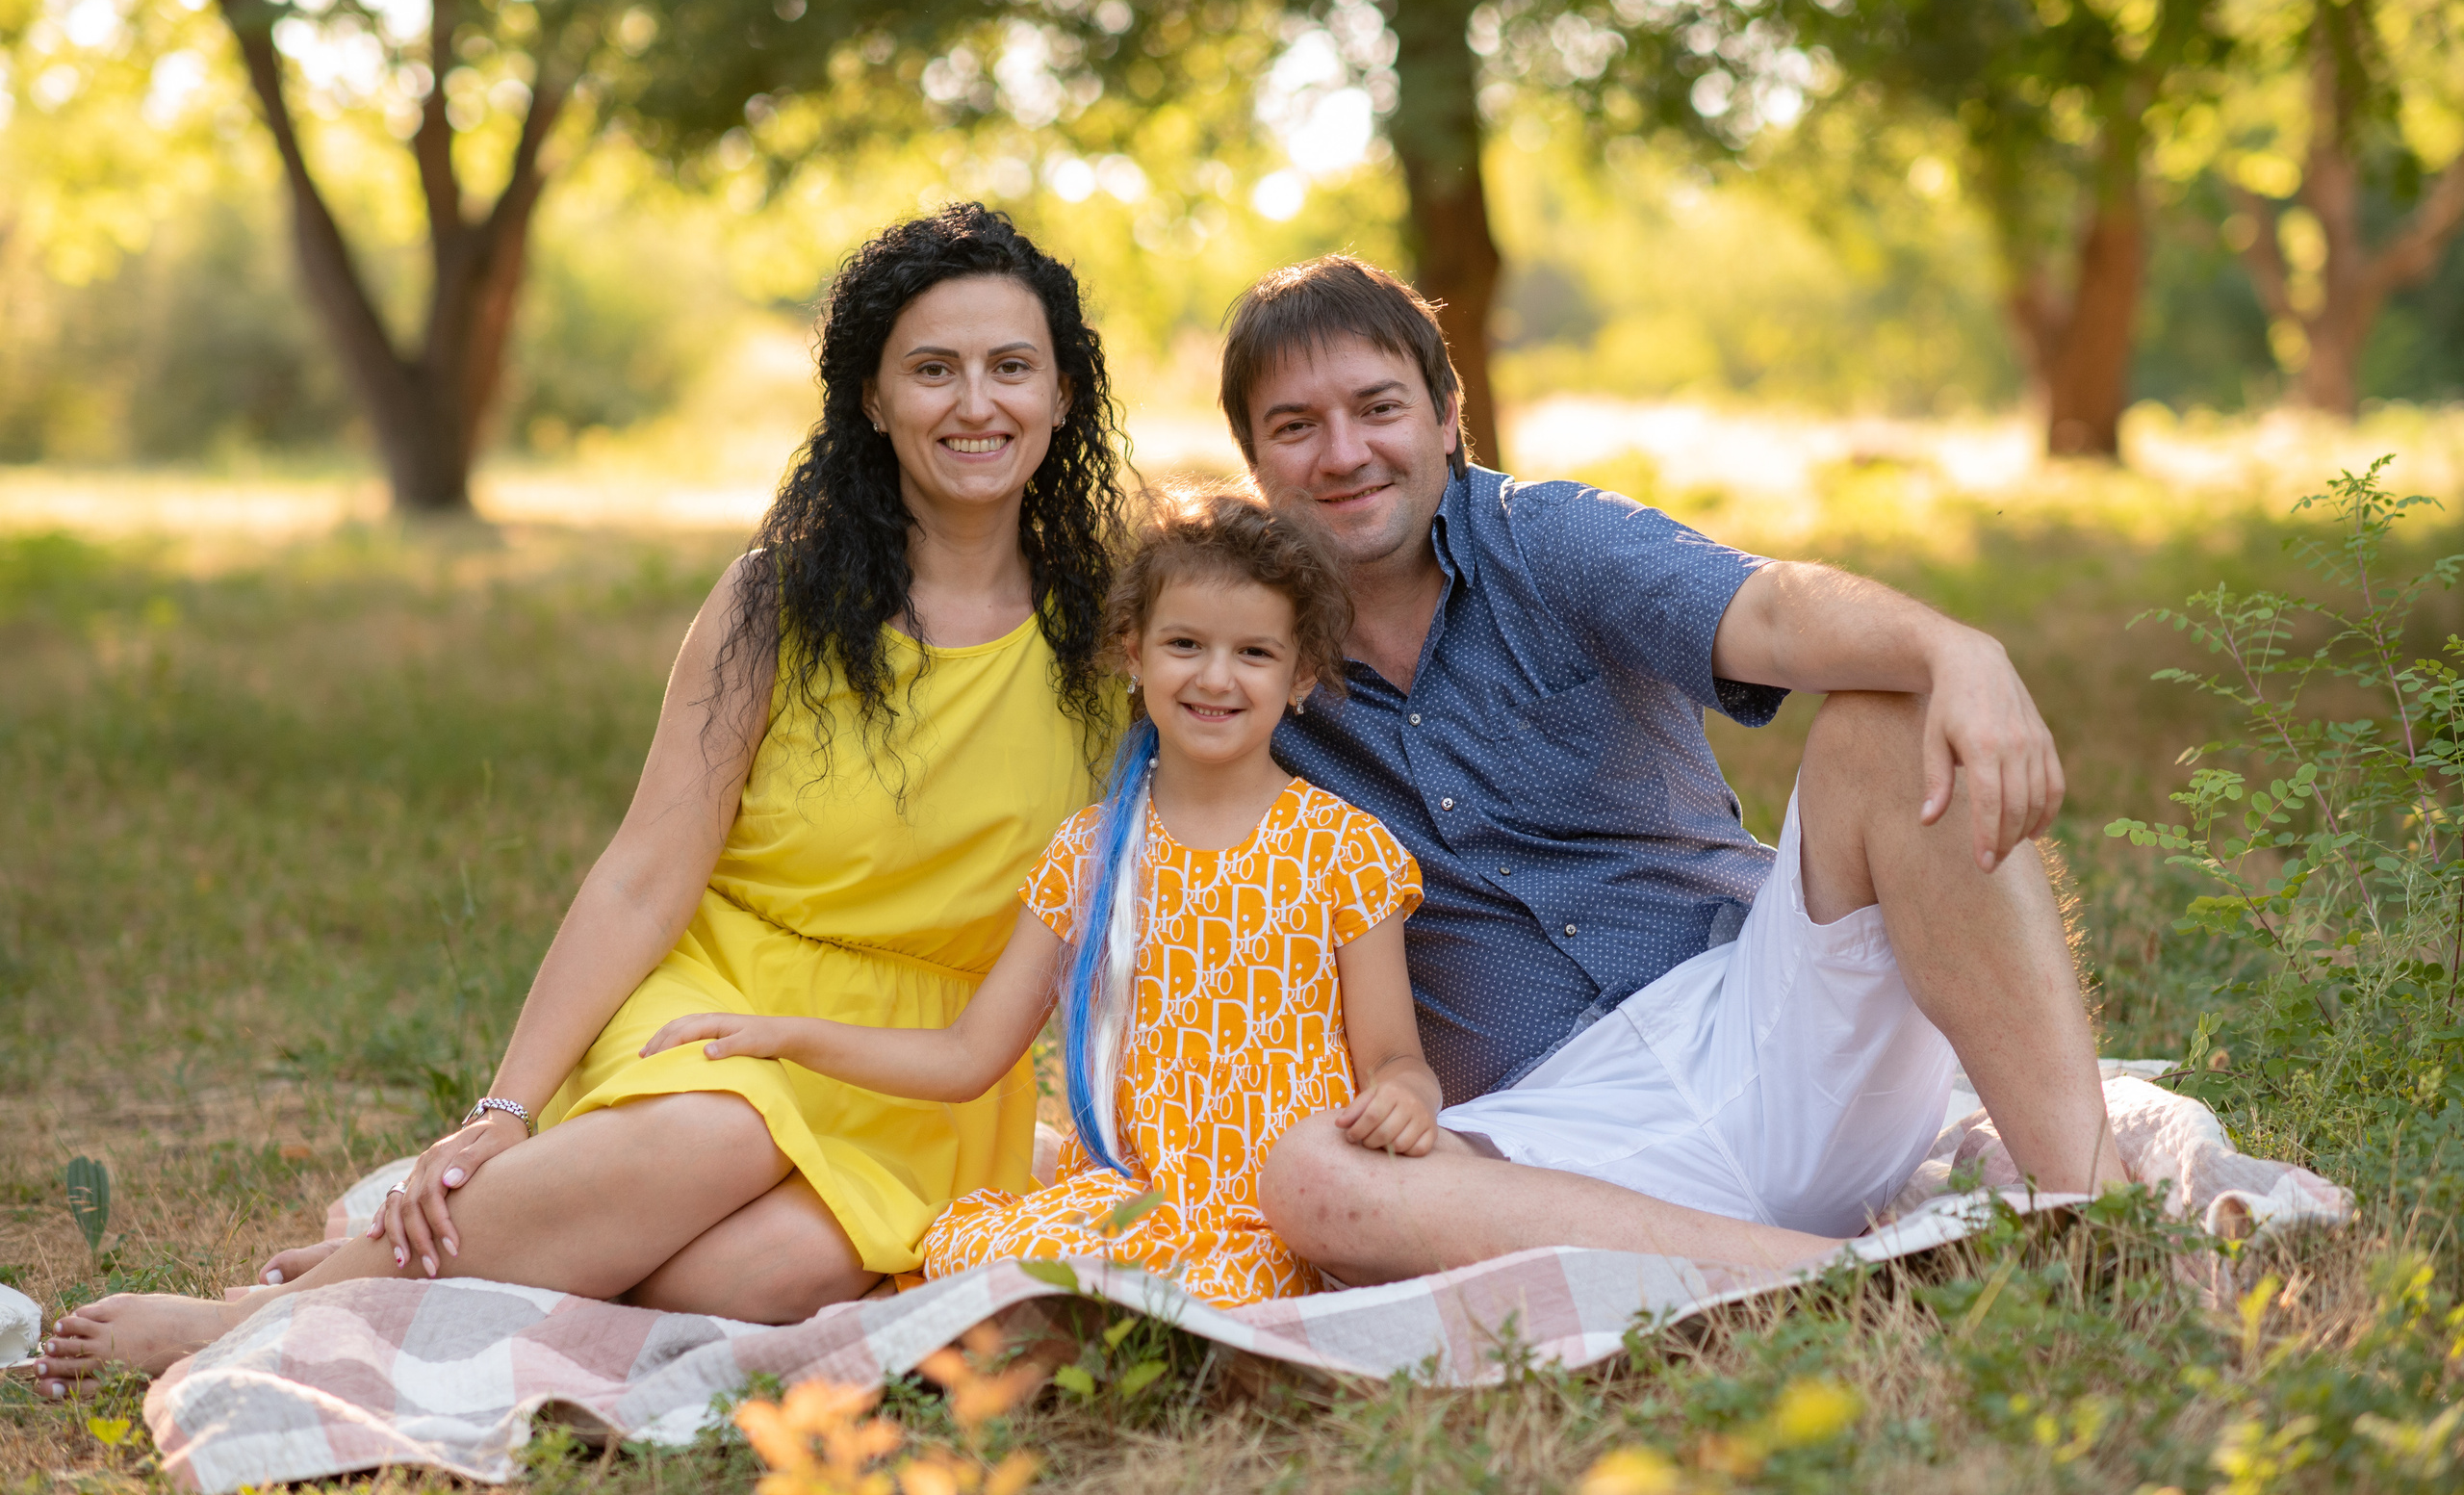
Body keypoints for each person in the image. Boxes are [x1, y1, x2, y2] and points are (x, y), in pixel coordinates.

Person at [33, 205, 1128, 1397]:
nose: (976, 403)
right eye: (932, 369)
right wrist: (507, 1104)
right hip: (726, 992)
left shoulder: (1117, 625)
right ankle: (265, 1315)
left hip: (927, 1057)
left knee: (756, 1278)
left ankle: (484, 1240)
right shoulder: (778, 597)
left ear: (1061, 393)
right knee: (719, 1128)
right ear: (871, 398)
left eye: (1010, 367)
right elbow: (645, 873)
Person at [1217, 256, 2128, 1284]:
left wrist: (1957, 651)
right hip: (1554, 1144)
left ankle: (2101, 1217)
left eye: (1378, 407)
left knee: (1893, 715)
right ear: (1253, 460)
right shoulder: (1234, 667)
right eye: (1295, 426)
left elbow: (1771, 610)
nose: (1344, 453)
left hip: (1768, 1027)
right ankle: (1845, 1279)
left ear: (1444, 413)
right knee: (1312, 1177)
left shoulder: (1544, 538)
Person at [639, 491, 1438, 1306]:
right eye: (1185, 643)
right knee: (987, 1256)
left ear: (1301, 673)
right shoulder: (1090, 855)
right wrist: (788, 1035)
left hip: (1274, 1220)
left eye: (1255, 653)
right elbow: (966, 1056)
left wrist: (1407, 1095)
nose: (1215, 676)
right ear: (1132, 651)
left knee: (1169, 1298)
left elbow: (1393, 1058)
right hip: (1128, 1211)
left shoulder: (1343, 849)